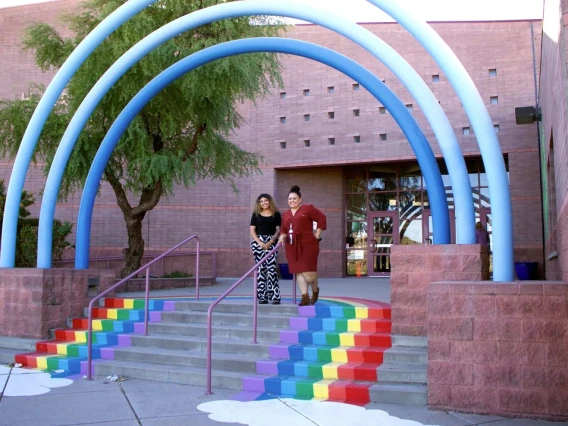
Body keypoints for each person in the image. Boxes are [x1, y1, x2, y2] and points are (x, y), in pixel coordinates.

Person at [278, 185, 327, 306]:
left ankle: (315, 290)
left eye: (294, 198)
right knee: (299, 271)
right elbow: (283, 230)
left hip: (308, 244)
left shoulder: (307, 208)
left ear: (300, 199)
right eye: (290, 199)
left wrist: (317, 233)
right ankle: (304, 296)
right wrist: (282, 236)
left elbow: (321, 217)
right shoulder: (285, 215)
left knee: (309, 273)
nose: (292, 201)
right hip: (292, 245)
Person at [250, 194, 282, 305]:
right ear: (259, 203)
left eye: (266, 200)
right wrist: (260, 243)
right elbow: (252, 230)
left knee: (271, 269)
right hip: (258, 243)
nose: (264, 203)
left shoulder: (276, 214)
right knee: (261, 269)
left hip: (272, 243)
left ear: (270, 201)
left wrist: (270, 242)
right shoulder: (256, 214)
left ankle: (275, 296)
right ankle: (262, 297)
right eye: (261, 201)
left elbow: (279, 230)